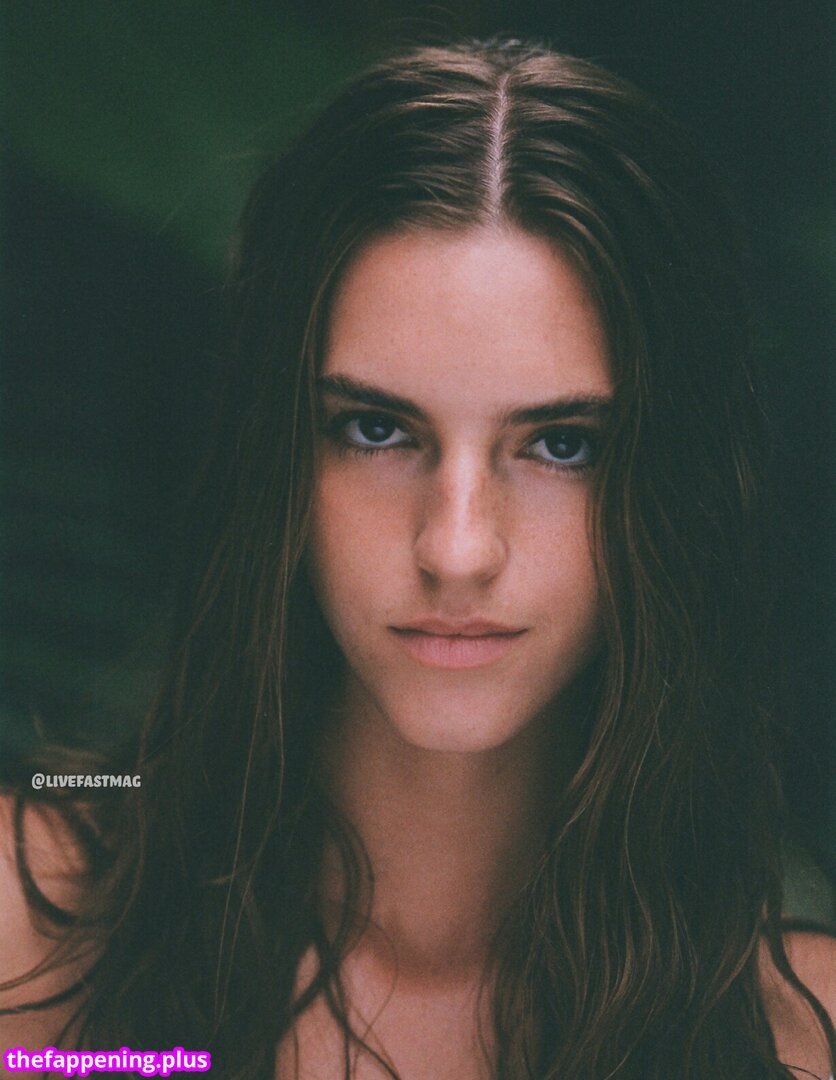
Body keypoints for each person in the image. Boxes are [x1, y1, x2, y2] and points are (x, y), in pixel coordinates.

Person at [0, 38, 834, 1080]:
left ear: (676, 489)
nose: (456, 548)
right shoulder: (27, 937)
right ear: (275, 457)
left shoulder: (800, 1038)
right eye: (377, 430)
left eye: (562, 444)